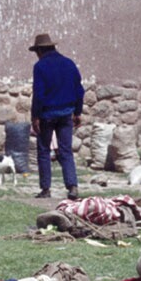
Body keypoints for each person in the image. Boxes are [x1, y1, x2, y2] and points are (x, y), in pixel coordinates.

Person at [28, 31, 84, 201]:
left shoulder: (40, 67)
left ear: (40, 50)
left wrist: (35, 117)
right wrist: (78, 112)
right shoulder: (69, 63)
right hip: (66, 113)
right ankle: (72, 186)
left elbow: (39, 94)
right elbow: (79, 90)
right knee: (66, 150)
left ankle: (46, 188)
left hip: (47, 114)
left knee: (44, 150)